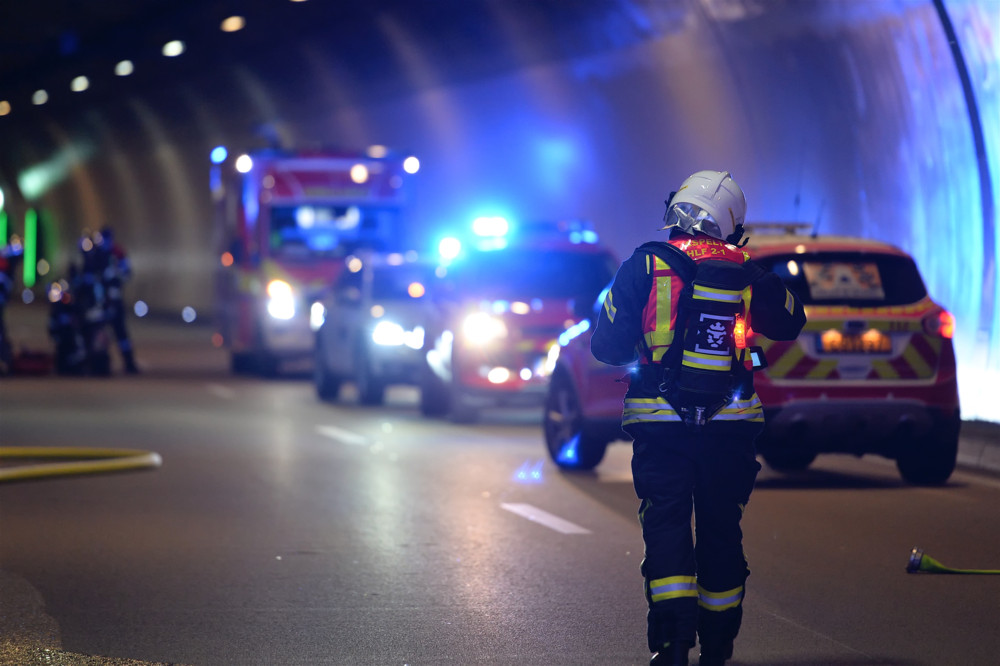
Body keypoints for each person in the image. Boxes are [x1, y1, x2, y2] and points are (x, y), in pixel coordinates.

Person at [590, 170, 806, 665]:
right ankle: (718, 646)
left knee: (665, 524)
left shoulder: (645, 264)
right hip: (731, 428)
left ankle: (672, 645)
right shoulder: (749, 271)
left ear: (677, 211)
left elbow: (606, 346)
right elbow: (792, 322)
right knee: (721, 528)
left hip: (659, 426)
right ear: (731, 223)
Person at [94, 226, 139, 373]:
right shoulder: (97, 253)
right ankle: (100, 363)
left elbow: (127, 273)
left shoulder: (118, 253)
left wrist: (115, 274)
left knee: (121, 333)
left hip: (114, 299)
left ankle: (129, 363)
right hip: (100, 299)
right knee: (99, 331)